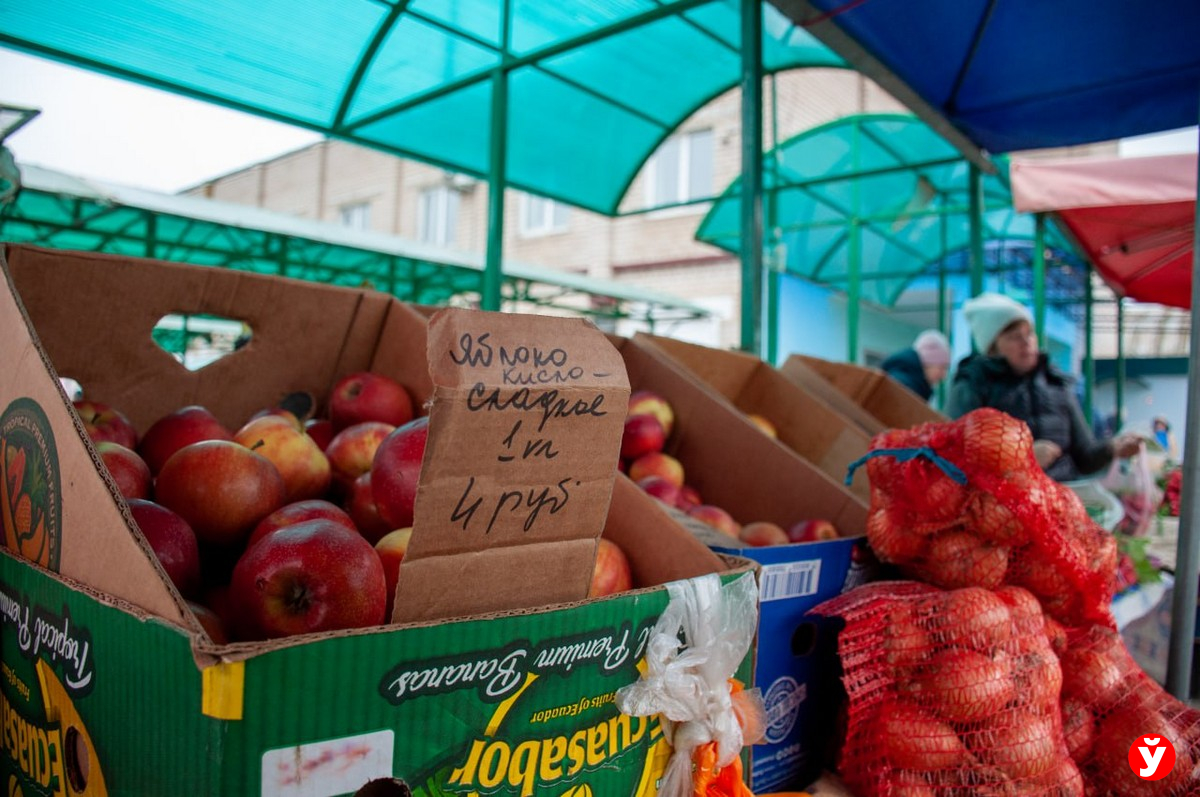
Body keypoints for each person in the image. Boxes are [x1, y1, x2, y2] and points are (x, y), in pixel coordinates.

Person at [947, 292, 1141, 481]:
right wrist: (1020, 461)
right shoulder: (971, 387)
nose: (1026, 342)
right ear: (992, 348)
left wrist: (1112, 449)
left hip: (1064, 498)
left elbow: (1085, 457)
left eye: (1029, 333)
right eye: (1014, 337)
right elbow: (957, 461)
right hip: (1006, 508)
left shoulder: (1057, 385)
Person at [881, 329, 951, 402]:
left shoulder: (913, 384)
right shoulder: (904, 386)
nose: (944, 375)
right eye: (942, 367)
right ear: (928, 363)